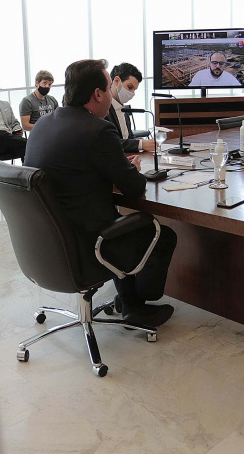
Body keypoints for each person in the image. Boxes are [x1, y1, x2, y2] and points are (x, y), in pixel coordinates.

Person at [25, 59, 177, 327]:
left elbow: (73, 172)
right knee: (159, 233)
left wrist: (110, 168)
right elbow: (135, 187)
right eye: (109, 87)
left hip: (43, 245)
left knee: (115, 223)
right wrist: (126, 169)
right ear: (98, 94)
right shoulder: (98, 129)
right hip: (86, 246)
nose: (111, 93)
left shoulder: (42, 126)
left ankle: (130, 304)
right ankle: (139, 303)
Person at [104, 62, 156, 153]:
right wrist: (141, 144)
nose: (132, 93)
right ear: (116, 81)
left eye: (134, 90)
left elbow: (128, 138)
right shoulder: (103, 109)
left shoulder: (124, 110)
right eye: (129, 87)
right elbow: (109, 142)